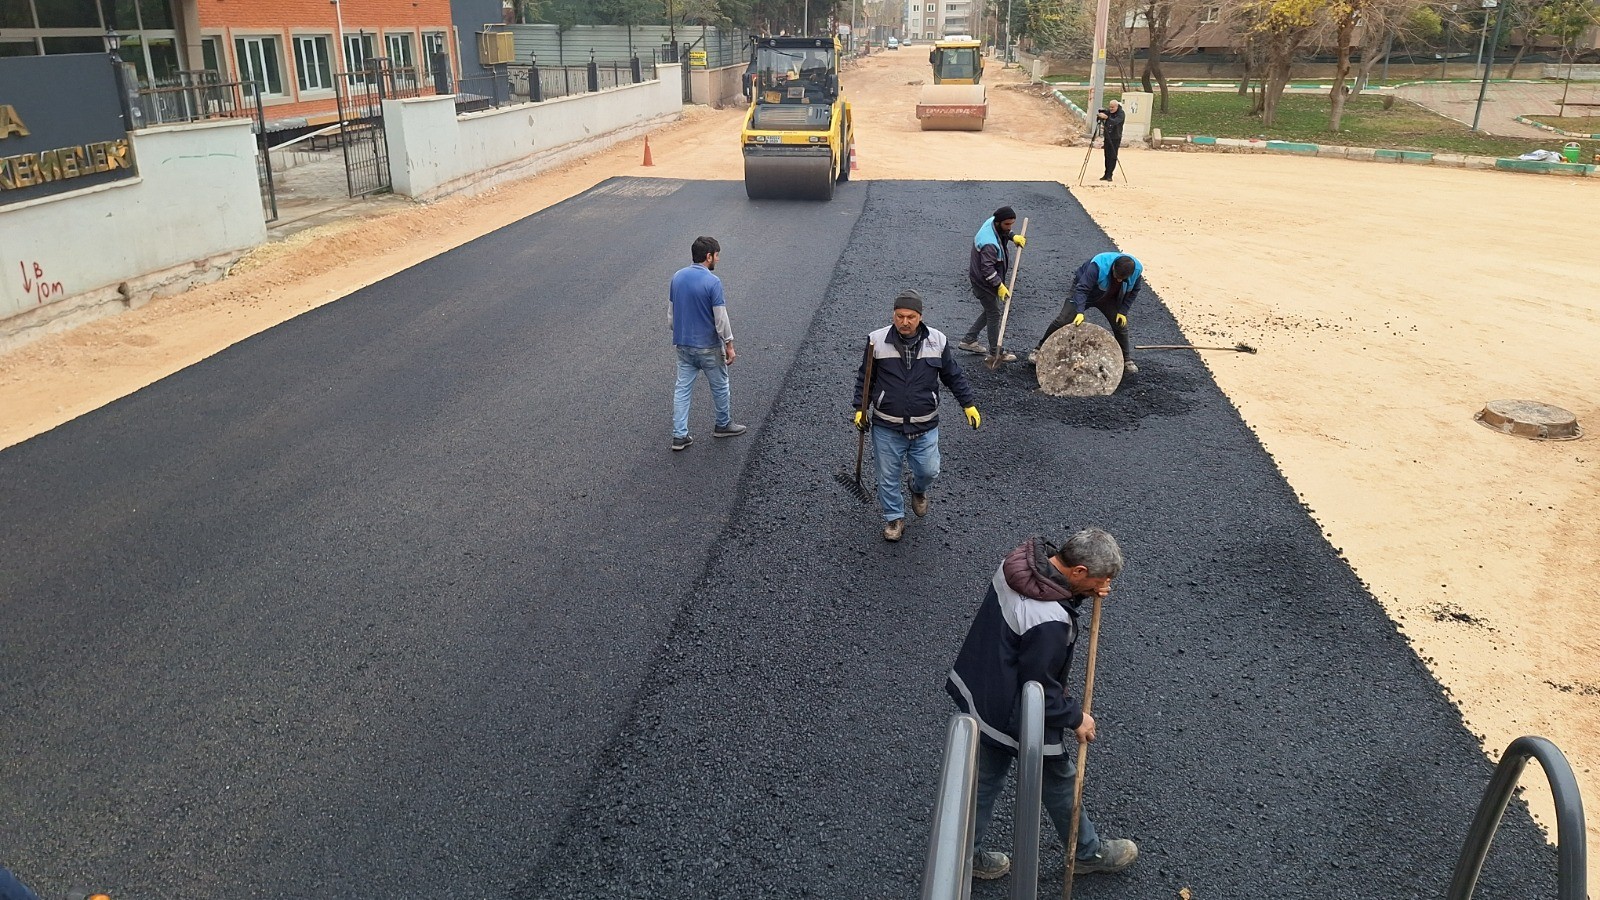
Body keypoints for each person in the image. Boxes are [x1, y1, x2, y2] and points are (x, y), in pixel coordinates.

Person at [945, 529, 1140, 881]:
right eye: (1097, 579)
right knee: (1058, 776)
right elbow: (1039, 690)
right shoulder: (1050, 621)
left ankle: (961, 854)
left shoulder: (1018, 564)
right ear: (1078, 571)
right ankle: (1086, 851)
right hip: (1013, 711)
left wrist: (1079, 594)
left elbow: (1049, 599)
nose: (1102, 586)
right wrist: (1076, 718)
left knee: (984, 779)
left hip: (984, 685)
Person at [853, 290, 981, 542]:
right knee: (887, 476)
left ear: (920, 316)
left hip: (925, 424)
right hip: (887, 424)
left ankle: (917, 489)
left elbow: (952, 375)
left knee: (929, 470)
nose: (905, 321)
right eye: (900, 316)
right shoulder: (876, 341)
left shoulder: (938, 341)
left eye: (911, 316)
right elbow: (865, 379)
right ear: (893, 315)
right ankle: (894, 518)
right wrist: (860, 407)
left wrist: (968, 404)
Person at [669, 236, 746, 451]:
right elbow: (720, 318)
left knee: (682, 389)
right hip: (708, 347)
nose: (718, 260)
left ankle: (679, 435)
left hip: (683, 346)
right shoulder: (713, 282)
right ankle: (723, 425)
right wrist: (729, 345)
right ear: (708, 256)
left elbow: (671, 316)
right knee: (720, 386)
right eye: (717, 255)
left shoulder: (677, 277)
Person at [1033, 252, 1143, 375]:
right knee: (1063, 319)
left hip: (1109, 298)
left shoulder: (1136, 270)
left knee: (1120, 325)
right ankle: (1038, 349)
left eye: (1122, 279)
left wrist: (1123, 311)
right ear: (1113, 267)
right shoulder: (1097, 266)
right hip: (1086, 292)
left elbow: (1135, 291)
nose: (1118, 280)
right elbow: (1082, 289)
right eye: (1117, 276)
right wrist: (1079, 311)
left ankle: (1126, 360)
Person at [958, 206, 1026, 361]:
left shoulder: (992, 222)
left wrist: (1012, 236)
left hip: (985, 279)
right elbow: (987, 270)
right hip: (984, 282)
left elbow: (1005, 232)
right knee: (994, 313)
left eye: (1012, 224)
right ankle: (996, 352)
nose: (1009, 227)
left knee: (990, 310)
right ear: (998, 223)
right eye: (1007, 225)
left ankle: (969, 340)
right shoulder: (989, 244)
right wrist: (999, 285)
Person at [1096, 99, 1124, 182]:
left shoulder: (1121, 113)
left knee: (1113, 156)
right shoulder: (1108, 112)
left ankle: (1110, 174)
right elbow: (1100, 119)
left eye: (1112, 107)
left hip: (1115, 137)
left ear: (1117, 106)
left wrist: (1107, 118)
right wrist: (1100, 116)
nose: (1111, 109)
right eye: (1110, 107)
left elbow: (1115, 122)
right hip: (1107, 136)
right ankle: (1106, 173)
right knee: (1107, 155)